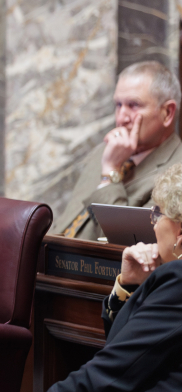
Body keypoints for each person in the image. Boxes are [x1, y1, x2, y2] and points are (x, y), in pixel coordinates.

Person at [49, 163, 182, 391]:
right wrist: (129, 285)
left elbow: (112, 372)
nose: (153, 224)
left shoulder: (177, 279)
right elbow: (126, 347)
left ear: (179, 232)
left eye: (157, 213)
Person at [55, 61, 182, 240]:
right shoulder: (105, 152)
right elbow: (66, 223)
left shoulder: (177, 172)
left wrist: (110, 174)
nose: (121, 118)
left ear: (167, 113)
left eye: (134, 105)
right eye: (118, 105)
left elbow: (128, 243)